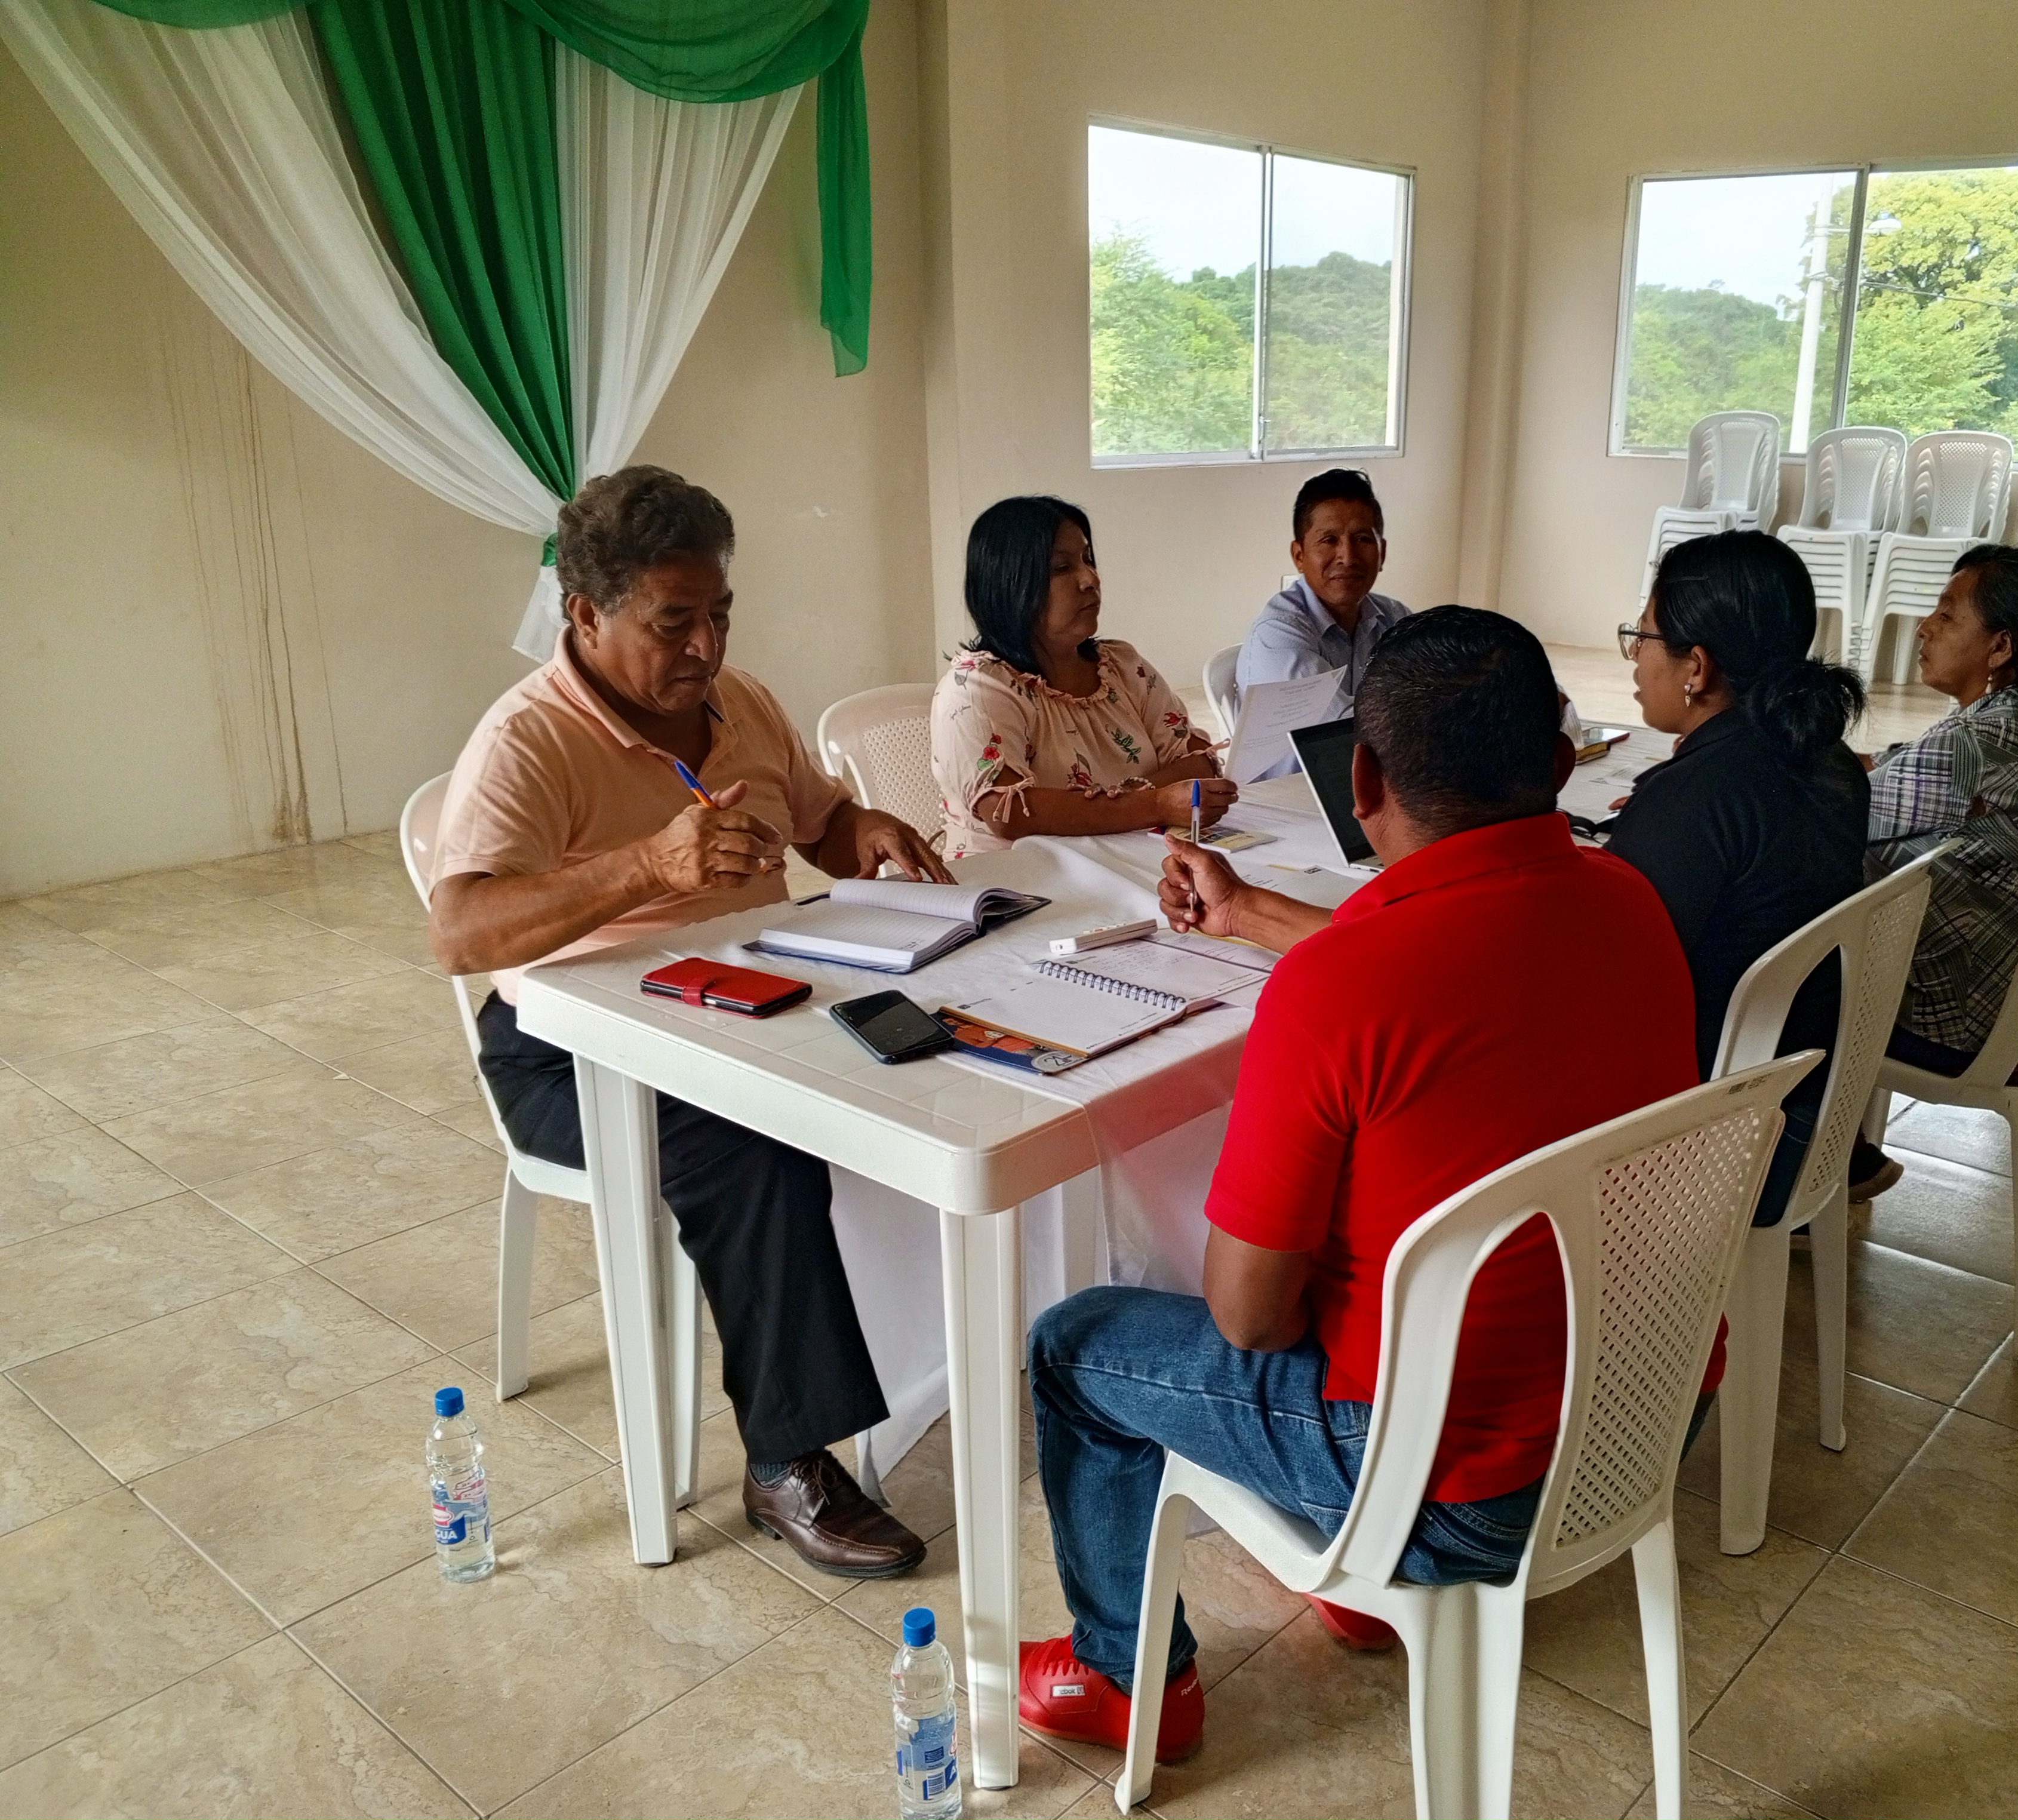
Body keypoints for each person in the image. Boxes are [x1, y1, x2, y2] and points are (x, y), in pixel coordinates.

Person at [1018, 608, 1699, 1764]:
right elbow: (1450, 949)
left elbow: (1249, 1320)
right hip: (1640, 1425)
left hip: (1454, 1496)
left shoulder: (1337, 990)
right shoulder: (1630, 904)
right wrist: (1247, 912)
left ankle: (1126, 1677)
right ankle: (1351, 1576)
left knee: (1076, 1345)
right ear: (1556, 758)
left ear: (1363, 779)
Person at [428, 465, 943, 1580]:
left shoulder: (742, 703)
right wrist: (646, 868)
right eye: (673, 623)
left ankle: (950, 1356)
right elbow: (460, 933)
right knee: (752, 1150)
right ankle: (786, 1457)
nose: (705, 647)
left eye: (720, 615)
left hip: (751, 1004)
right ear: (586, 614)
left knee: (934, 1067)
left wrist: (865, 831)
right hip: (573, 1052)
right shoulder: (527, 740)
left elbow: (821, 823)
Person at [1603, 531, 1870, 1226]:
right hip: (1808, 1108)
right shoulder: (1828, 760)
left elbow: (1606, 980)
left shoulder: (1694, 798)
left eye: (1644, 637)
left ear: (1695, 667)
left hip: (1719, 1145)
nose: (1636, 658)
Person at [1842, 543, 2018, 1198]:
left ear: (2000, 647)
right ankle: (1838, 1153)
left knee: (1769, 962)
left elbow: (1830, 815)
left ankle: (1800, 1168)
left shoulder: (1974, 744)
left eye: (1946, 615)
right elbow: (1889, 772)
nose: (1924, 628)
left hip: (1962, 1022)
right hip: (2017, 1002)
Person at [930, 496, 1233, 859]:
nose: (1090, 579)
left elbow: (1198, 762)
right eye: (1062, 568)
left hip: (1129, 858)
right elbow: (1011, 812)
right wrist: (1156, 804)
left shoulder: (1122, 666)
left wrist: (1115, 806)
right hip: (1019, 879)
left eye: (1088, 560)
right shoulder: (979, 687)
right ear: (1009, 584)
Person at [1232, 468, 1407, 777]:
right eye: (1329, 540)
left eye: (1363, 539)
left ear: (1382, 553)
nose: (1348, 557)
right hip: (1292, 797)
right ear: (1299, 555)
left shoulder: (1394, 618)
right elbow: (1339, 733)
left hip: (1369, 785)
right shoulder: (1277, 634)